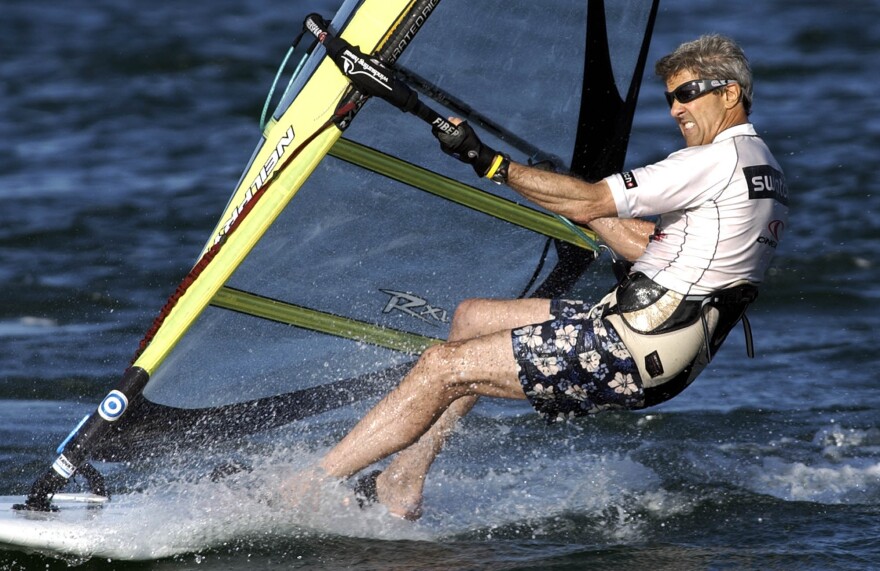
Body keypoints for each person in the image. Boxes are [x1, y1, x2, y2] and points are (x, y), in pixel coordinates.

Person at [306, 34, 789, 519]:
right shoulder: (757, 165)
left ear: (730, 94)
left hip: (631, 348)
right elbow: (648, 245)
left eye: (687, 94)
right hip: (654, 341)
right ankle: (402, 480)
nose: (675, 110)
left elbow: (589, 199)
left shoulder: (712, 161)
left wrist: (488, 161)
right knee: (474, 318)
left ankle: (308, 487)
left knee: (441, 366)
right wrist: (551, 181)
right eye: (669, 99)